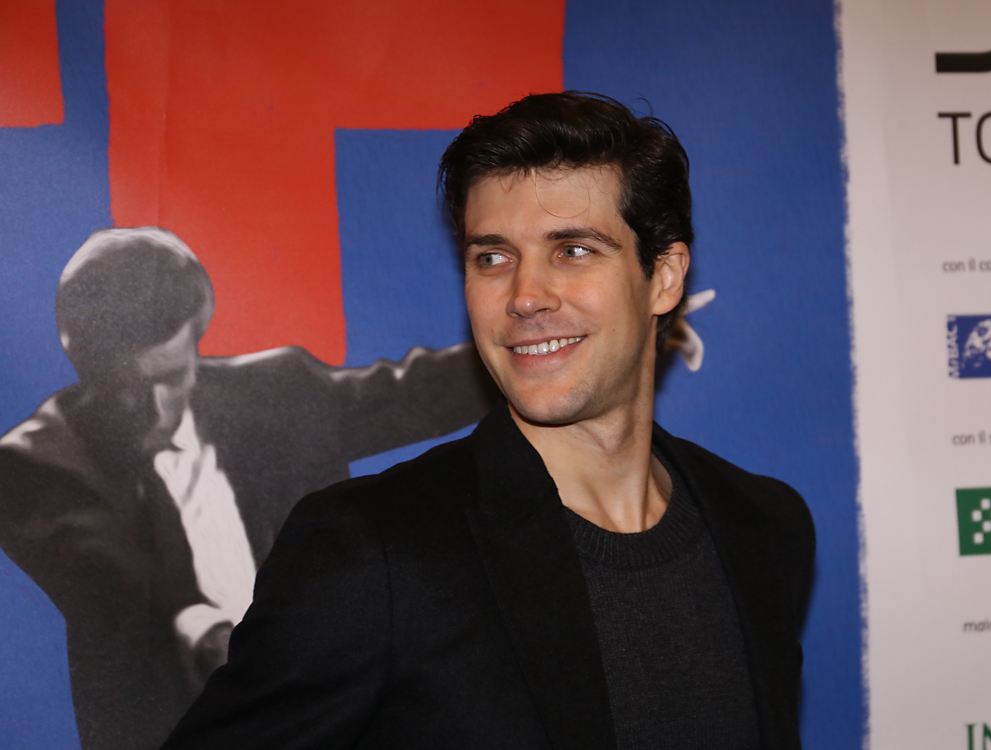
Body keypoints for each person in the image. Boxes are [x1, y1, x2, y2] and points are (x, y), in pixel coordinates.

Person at [162, 92, 815, 750]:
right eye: (492, 258)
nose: (526, 296)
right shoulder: (373, 552)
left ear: (664, 277)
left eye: (574, 251)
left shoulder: (762, 527)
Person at [0, 227, 499, 750]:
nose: (148, 408)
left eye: (169, 378)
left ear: (196, 339)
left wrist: (527, 360)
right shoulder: (39, 463)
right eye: (123, 387)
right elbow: (115, 576)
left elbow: (413, 394)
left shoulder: (277, 393)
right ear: (80, 361)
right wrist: (207, 633)